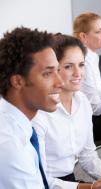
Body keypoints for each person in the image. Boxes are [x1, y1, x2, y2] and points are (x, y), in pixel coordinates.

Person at [32, 34, 101, 189]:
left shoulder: (82, 101)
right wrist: (90, 187)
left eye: (81, 65)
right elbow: (40, 178)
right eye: (68, 66)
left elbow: (87, 156)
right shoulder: (40, 111)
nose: (78, 73)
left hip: (69, 181)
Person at [0, 27, 63, 188]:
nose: (60, 82)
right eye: (48, 74)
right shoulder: (11, 147)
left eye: (58, 70)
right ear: (18, 81)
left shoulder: (18, 127)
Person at [73, 12, 101, 143]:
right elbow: (95, 108)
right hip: (89, 121)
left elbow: (99, 92)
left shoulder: (92, 56)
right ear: (83, 37)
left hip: (94, 117)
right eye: (98, 31)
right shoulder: (83, 60)